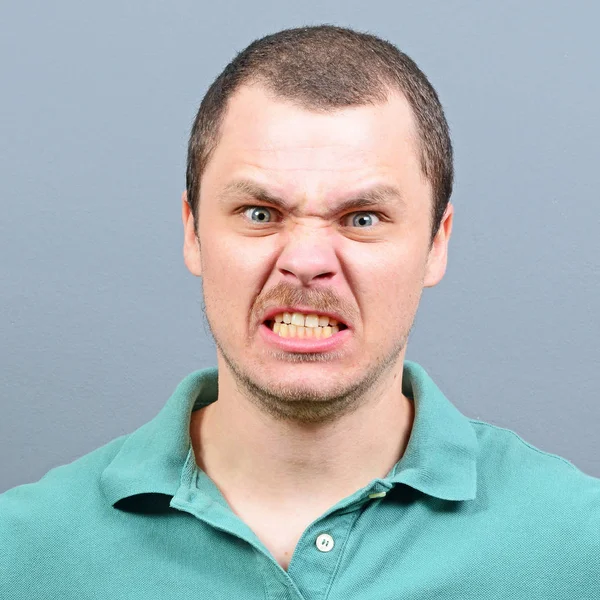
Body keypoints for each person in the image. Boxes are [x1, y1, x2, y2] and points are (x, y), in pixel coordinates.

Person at [1, 24, 598, 599]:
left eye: (362, 218)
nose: (307, 261)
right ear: (192, 231)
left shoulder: (580, 547)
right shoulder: (21, 553)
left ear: (437, 244)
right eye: (260, 213)